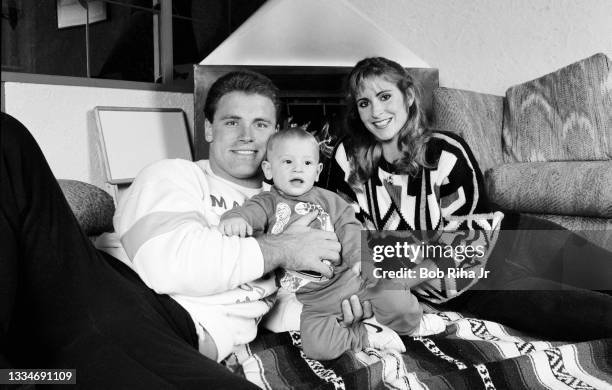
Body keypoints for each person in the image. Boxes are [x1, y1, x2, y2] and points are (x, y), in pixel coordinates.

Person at [0, 71, 363, 387]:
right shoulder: (174, 175)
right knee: (7, 137)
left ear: (276, 134)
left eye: (261, 124)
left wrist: (345, 308)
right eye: (232, 121)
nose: (247, 136)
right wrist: (283, 248)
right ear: (208, 128)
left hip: (167, 339)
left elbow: (289, 298)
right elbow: (168, 266)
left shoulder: (294, 206)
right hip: (121, 293)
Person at [324, 56, 612, 341]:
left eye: (385, 96)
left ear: (408, 96)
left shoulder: (446, 151)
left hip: (513, 238)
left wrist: (396, 283)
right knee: (592, 315)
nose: (376, 111)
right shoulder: (347, 158)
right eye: (364, 103)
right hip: (473, 286)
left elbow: (464, 242)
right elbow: (347, 235)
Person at [218, 128, 445, 360]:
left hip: (354, 280)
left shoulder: (329, 200)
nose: (298, 168)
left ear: (317, 172)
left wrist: (358, 257)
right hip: (315, 300)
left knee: (395, 300)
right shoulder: (266, 203)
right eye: (287, 161)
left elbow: (350, 229)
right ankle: (363, 335)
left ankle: (413, 324)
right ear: (268, 169)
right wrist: (235, 220)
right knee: (316, 347)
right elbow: (246, 213)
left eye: (307, 163)